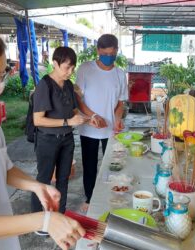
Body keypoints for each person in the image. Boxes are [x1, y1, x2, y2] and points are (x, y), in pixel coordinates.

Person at [0, 19, 85, 250]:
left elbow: (3, 168)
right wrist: (42, 220)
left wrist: (36, 186)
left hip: (1, 241)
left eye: (2, 75)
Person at [31, 47, 89, 220]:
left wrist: (87, 118)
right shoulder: (45, 85)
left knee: (63, 178)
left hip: (66, 139)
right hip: (47, 140)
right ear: (55, 64)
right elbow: (38, 120)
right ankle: (37, 219)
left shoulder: (69, 85)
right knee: (43, 179)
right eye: (66, 68)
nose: (70, 72)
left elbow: (73, 112)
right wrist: (67, 122)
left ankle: (60, 214)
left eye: (73, 68)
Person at [75, 34, 128, 211]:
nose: (109, 57)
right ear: (98, 51)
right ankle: (90, 198)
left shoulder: (120, 74)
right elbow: (78, 97)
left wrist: (118, 119)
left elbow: (121, 102)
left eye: (112, 53)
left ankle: (110, 197)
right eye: (105, 53)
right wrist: (93, 116)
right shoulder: (85, 69)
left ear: (117, 51)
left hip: (110, 130)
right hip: (89, 127)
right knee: (89, 165)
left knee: (112, 165)